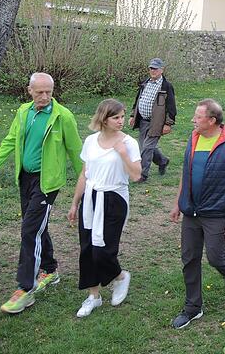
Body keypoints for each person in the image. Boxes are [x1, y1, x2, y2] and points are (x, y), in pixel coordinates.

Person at [0, 72, 82, 314]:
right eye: (40, 92)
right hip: (25, 178)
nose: (44, 96)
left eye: (49, 92)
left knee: (30, 230)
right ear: (29, 90)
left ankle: (26, 289)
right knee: (35, 226)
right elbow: (10, 141)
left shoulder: (62, 116)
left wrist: (86, 187)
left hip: (47, 183)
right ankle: (50, 269)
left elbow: (77, 152)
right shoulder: (24, 112)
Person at [170, 99, 225, 329]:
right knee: (189, 258)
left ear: (212, 120)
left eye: (198, 117)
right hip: (191, 211)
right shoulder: (193, 139)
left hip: (216, 212)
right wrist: (178, 203)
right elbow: (186, 172)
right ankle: (193, 307)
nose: (193, 120)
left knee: (215, 256)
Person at [67, 99, 141, 318]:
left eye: (122, 116)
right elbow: (84, 174)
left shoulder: (128, 142)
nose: (121, 121)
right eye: (115, 117)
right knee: (87, 249)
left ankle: (119, 276)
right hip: (90, 198)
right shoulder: (90, 141)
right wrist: (74, 203)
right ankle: (94, 296)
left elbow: (136, 175)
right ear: (103, 118)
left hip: (114, 198)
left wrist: (122, 153)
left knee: (103, 251)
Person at [129, 58, 176, 182]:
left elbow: (171, 106)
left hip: (156, 122)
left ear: (162, 70)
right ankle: (163, 161)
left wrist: (168, 123)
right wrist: (133, 115)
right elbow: (137, 99)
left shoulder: (166, 86)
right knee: (145, 146)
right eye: (151, 68)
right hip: (143, 120)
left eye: (155, 68)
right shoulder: (145, 83)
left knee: (146, 148)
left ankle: (142, 175)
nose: (153, 70)